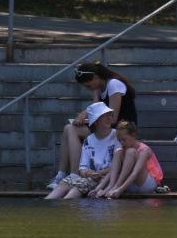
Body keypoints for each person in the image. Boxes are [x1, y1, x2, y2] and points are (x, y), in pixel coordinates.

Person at [47, 62, 137, 190]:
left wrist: (90, 107)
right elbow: (99, 114)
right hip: (106, 127)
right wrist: (86, 115)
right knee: (68, 128)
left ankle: (74, 174)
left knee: (71, 130)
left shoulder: (114, 84)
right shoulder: (101, 88)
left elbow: (113, 118)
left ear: (96, 77)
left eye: (89, 85)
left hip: (120, 130)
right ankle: (61, 174)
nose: (89, 89)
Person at [45, 102, 119, 199]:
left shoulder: (117, 136)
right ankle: (46, 204)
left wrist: (99, 173)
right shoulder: (89, 140)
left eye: (110, 115)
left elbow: (118, 164)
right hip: (91, 178)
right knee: (64, 183)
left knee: (78, 187)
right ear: (96, 121)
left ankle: (67, 206)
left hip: (108, 179)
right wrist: (88, 173)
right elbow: (83, 167)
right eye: (105, 116)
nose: (109, 118)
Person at [89, 120, 164, 199]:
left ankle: (116, 186)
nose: (122, 143)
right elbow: (113, 170)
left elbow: (135, 173)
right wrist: (98, 188)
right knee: (118, 151)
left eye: (124, 140)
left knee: (130, 152)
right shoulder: (122, 150)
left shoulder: (144, 150)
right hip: (131, 185)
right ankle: (111, 186)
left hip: (146, 185)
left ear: (133, 135)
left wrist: (120, 190)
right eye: (119, 140)